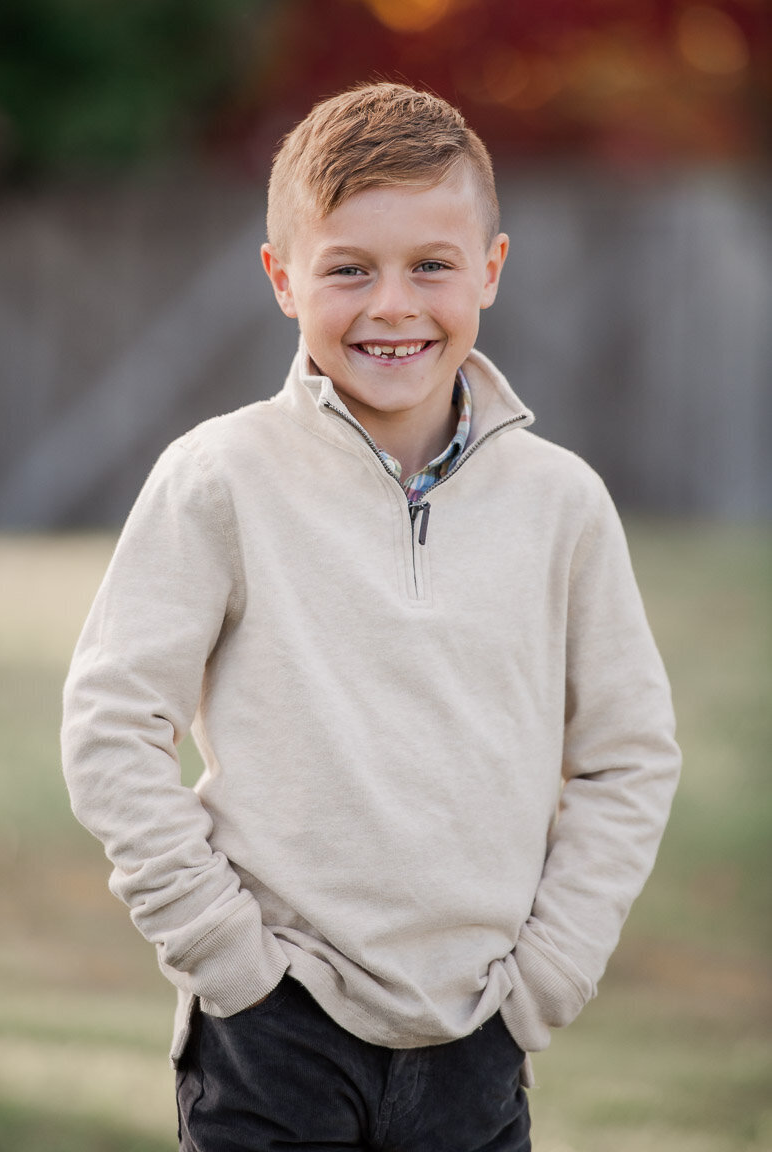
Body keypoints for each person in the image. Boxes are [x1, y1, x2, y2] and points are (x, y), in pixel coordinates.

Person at [61, 82, 681, 1151]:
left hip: (480, 1034)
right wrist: (228, 958)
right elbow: (109, 727)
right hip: (270, 1032)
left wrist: (546, 978)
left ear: (489, 269)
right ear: (282, 278)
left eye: (432, 265)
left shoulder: (562, 503)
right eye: (348, 267)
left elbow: (629, 756)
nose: (392, 304)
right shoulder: (219, 478)